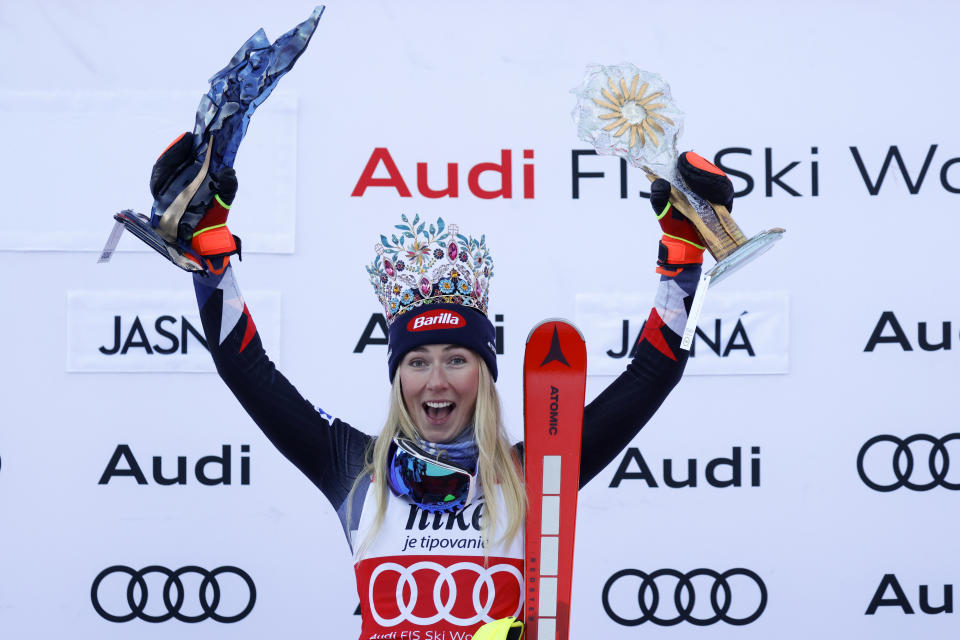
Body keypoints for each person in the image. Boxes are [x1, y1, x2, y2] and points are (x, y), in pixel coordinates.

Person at [149, 134, 733, 639]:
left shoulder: (539, 476)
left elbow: (653, 374)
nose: (436, 381)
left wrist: (681, 260)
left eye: (457, 358)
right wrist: (213, 256)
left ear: (483, 373)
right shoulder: (355, 467)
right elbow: (246, 370)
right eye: (417, 361)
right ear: (397, 376)